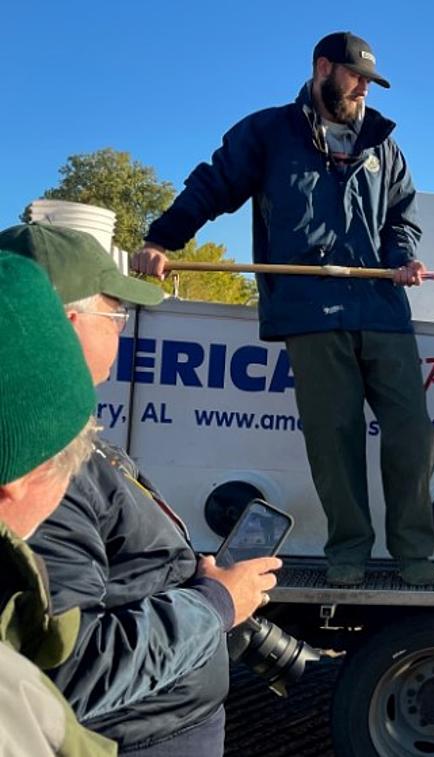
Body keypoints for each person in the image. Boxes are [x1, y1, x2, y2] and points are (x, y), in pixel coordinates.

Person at [131, 30, 434, 587]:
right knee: (333, 439)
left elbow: (403, 218)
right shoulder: (268, 132)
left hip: (381, 308)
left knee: (413, 435)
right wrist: (162, 240)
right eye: (356, 76)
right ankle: (349, 553)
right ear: (323, 68)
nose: (364, 89)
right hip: (309, 311)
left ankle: (414, 554)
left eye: (370, 80)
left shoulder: (385, 145)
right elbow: (212, 186)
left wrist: (404, 257)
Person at [0, 223, 281, 756]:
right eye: (116, 314)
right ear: (64, 325)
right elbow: (67, 674)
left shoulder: (74, 445)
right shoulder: (39, 465)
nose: (124, 329)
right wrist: (218, 602)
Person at [0, 251, 115, 756]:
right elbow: (81, 666)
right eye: (71, 455)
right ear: (20, 477)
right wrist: (211, 606)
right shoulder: (14, 702)